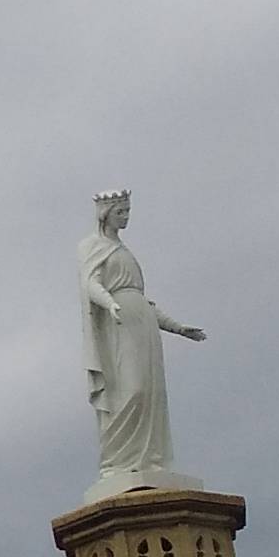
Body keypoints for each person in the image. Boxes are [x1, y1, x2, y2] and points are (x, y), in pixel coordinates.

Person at [79, 189, 203, 496]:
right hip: (118, 324)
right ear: (106, 214)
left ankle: (150, 460)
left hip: (142, 325)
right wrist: (109, 303)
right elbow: (90, 283)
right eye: (120, 212)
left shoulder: (125, 251)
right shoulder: (92, 246)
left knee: (150, 392)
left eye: (128, 211)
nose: (126, 217)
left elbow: (143, 300)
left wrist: (177, 327)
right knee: (129, 390)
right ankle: (117, 462)